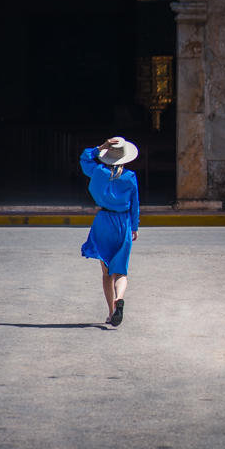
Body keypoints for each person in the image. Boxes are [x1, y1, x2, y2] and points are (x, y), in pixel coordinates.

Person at [80, 136, 139, 327]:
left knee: (106, 273)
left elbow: (84, 158)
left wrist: (101, 147)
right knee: (120, 272)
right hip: (123, 222)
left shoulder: (98, 171)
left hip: (104, 221)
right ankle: (119, 299)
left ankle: (110, 312)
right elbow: (135, 205)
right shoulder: (130, 176)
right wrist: (135, 227)